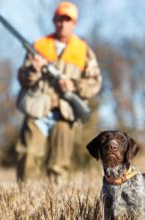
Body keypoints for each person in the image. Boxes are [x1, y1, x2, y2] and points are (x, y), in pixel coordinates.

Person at [15, 1, 102, 183]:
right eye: (59, 19)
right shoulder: (38, 45)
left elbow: (95, 82)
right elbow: (22, 78)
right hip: (38, 108)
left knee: (59, 165)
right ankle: (25, 196)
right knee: (28, 156)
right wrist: (34, 70)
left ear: (74, 23)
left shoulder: (83, 50)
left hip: (65, 111)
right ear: (54, 21)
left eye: (67, 20)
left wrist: (74, 86)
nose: (62, 23)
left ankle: (55, 205)